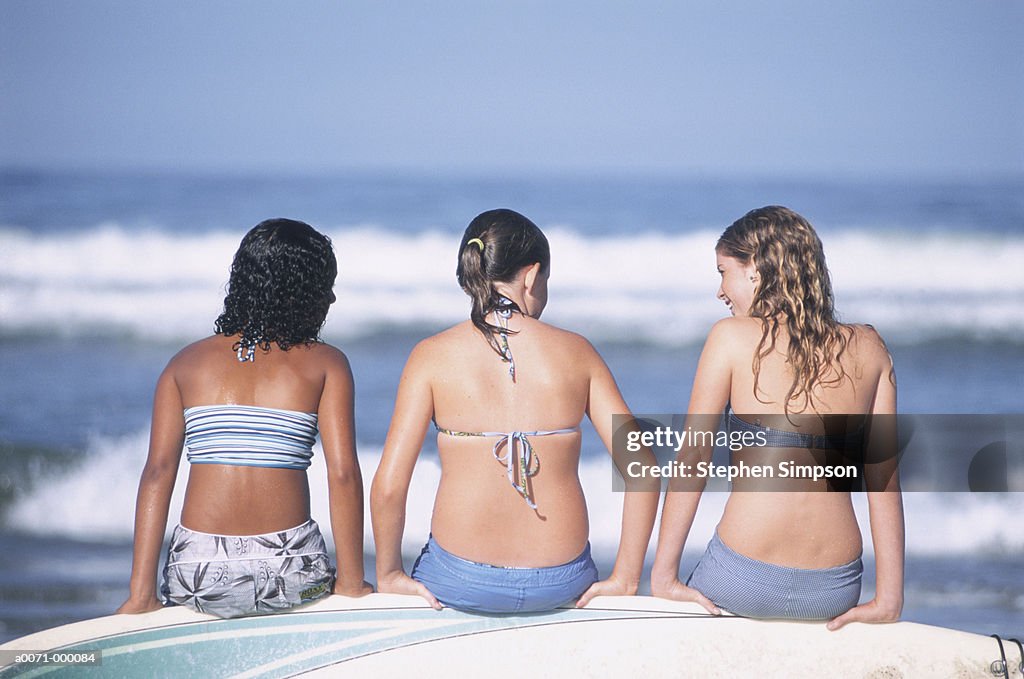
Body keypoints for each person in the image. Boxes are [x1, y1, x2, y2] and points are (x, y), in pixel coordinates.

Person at [371, 208, 658, 613]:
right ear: (531, 275)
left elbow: (389, 485)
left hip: (459, 579)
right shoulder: (578, 352)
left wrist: (388, 574)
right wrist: (626, 578)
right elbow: (643, 468)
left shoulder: (430, 356)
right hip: (562, 580)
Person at [650, 206, 904, 630]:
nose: (720, 291)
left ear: (756, 270)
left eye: (723, 271)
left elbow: (693, 458)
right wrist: (890, 598)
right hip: (835, 587)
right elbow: (884, 478)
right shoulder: (870, 347)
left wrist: (664, 577)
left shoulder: (729, 338)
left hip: (743, 576)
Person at [117, 218, 371, 618]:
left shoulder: (184, 364)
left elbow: (157, 473)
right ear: (301, 292)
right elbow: (342, 474)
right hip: (291, 572)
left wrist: (140, 596)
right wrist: (352, 584)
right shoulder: (327, 364)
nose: (332, 299)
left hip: (196, 572)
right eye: (325, 285)